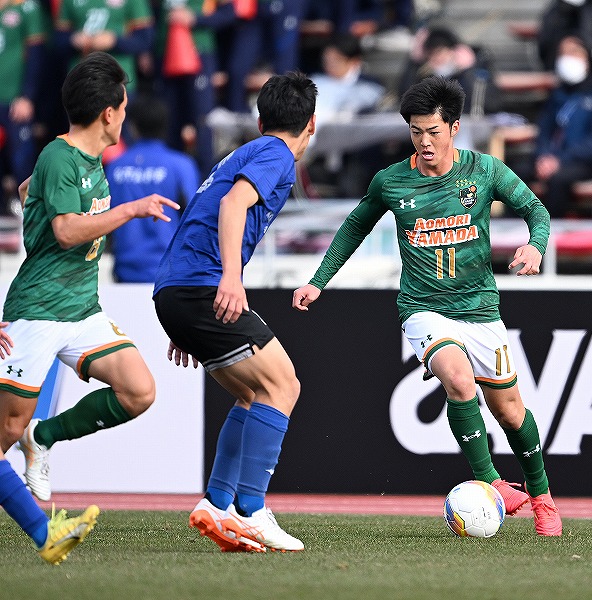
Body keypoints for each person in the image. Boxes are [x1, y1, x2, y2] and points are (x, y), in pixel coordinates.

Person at [292, 76, 563, 536]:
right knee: (458, 379)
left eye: (433, 131)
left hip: (480, 308)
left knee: (511, 413)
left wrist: (536, 246)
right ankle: (491, 482)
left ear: (453, 127)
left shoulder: (484, 171)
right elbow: (355, 226)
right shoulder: (391, 181)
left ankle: (542, 497)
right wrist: (319, 281)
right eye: (416, 132)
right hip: (423, 308)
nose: (424, 142)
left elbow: (537, 210)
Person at [0, 51, 179, 564]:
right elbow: (65, 230)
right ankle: (44, 532)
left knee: (139, 390)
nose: (126, 114)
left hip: (81, 309)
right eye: (123, 105)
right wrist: (131, 209)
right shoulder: (60, 156)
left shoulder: (84, 159)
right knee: (3, 433)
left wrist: (36, 194)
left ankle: (43, 436)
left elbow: (30, 191)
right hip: (37, 312)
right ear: (108, 113)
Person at [153, 70, 317, 553]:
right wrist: (229, 278)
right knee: (283, 385)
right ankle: (252, 511)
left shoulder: (243, 152)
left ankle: (218, 504)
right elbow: (232, 205)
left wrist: (183, 315)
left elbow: (200, 215)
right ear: (312, 124)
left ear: (261, 120)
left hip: (177, 290)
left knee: (252, 394)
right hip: (202, 286)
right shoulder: (276, 154)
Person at [526, 34, 592, 218]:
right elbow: (545, 129)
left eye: (574, 52)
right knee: (512, 174)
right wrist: (543, 155)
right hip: (554, 158)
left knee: (558, 179)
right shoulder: (559, 92)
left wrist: (560, 160)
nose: (568, 58)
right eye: (563, 53)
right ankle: (509, 229)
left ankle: (549, 230)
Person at [107, 95, 201, 282]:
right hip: (169, 275)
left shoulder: (114, 166)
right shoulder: (182, 165)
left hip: (125, 271)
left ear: (132, 127)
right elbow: (196, 219)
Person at [157, 0, 236, 174]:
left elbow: (229, 13)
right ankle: (171, 177)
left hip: (199, 53)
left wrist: (195, 19)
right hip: (166, 55)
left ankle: (206, 178)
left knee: (202, 120)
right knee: (170, 120)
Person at [309, 32, 386, 198]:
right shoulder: (317, 82)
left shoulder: (371, 86)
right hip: (320, 153)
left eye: (336, 60)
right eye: (326, 60)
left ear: (354, 61)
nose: (330, 65)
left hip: (357, 156)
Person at [0, 0, 46, 215]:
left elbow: (36, 54)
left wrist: (27, 96)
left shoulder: (26, 7)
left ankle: (31, 215)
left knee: (22, 160)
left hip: (14, 98)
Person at [397, 26, 501, 116]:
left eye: (440, 52)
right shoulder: (426, 78)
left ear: (453, 51)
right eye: (431, 54)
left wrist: (469, 70)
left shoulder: (476, 73)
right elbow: (406, 100)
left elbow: (489, 105)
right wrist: (413, 62)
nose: (436, 58)